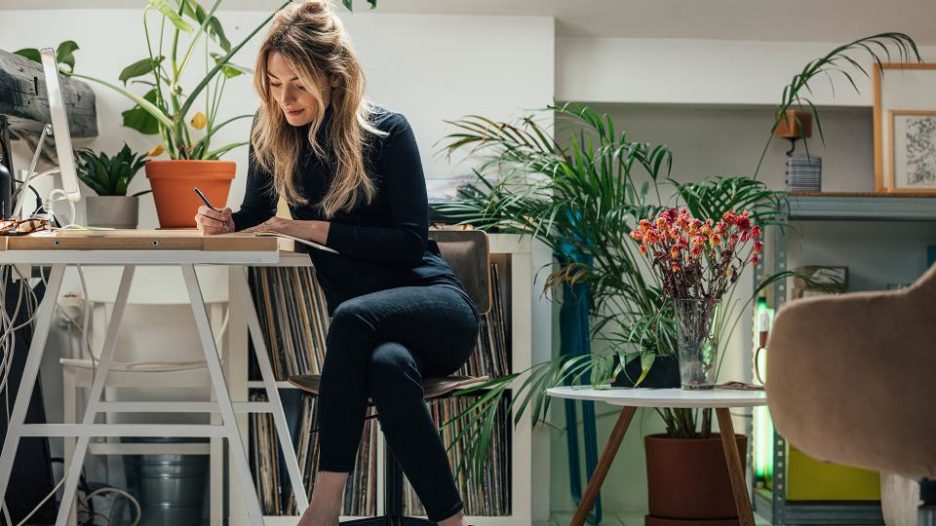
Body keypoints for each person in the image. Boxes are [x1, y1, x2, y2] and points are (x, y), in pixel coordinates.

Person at [194, 2, 481, 526]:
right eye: (275, 84)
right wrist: (224, 221)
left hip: (436, 309)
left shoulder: (388, 132)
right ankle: (451, 520)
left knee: (351, 316)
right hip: (372, 337)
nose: (286, 99)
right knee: (387, 366)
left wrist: (307, 228)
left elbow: (410, 242)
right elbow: (256, 213)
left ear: (333, 76)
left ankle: (324, 504)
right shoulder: (271, 137)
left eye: (298, 83)